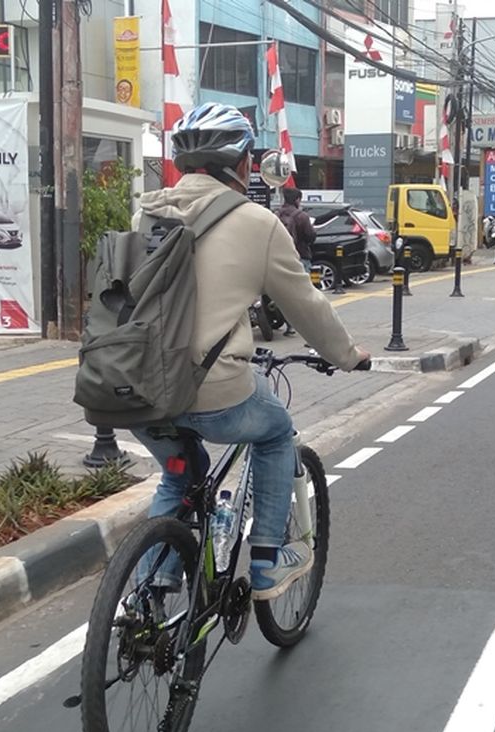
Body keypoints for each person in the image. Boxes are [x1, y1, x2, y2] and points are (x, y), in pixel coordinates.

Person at [130, 102, 370, 600]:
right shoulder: (256, 223)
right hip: (214, 391)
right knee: (276, 430)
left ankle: (146, 599)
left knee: (178, 479)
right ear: (242, 165)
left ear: (182, 165)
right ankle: (265, 560)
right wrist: (349, 355)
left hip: (137, 386)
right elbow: (306, 306)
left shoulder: (145, 213)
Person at [273, 186, 317, 335]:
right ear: (297, 199)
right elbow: (311, 236)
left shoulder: (276, 214)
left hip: (279, 258)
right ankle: (303, 325)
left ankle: (287, 323)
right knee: (303, 293)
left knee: (283, 293)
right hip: (300, 256)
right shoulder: (302, 216)